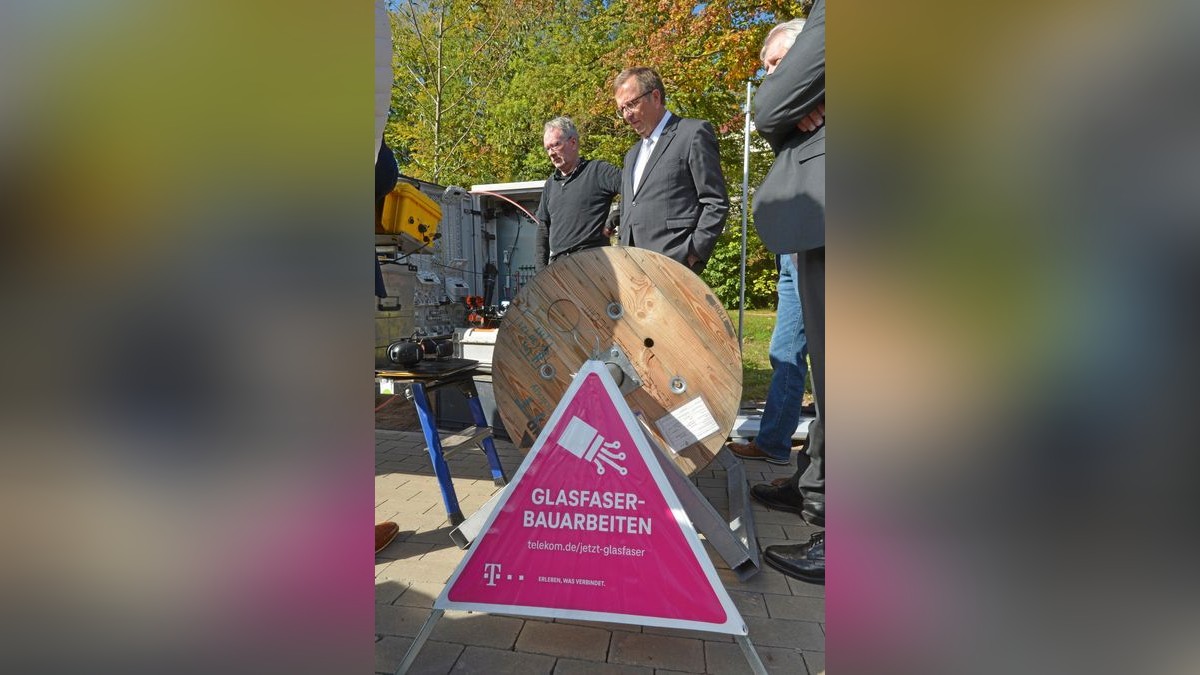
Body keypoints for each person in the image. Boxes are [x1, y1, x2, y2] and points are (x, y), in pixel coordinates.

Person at [748, 4, 826, 583]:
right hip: (806, 229)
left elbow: (769, 107)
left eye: (782, 65)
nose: (773, 77)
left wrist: (787, 100)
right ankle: (813, 489)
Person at [613, 67, 729, 273]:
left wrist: (693, 253)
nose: (626, 115)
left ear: (655, 97)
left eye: (631, 104)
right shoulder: (631, 155)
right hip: (633, 270)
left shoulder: (692, 134)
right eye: (621, 109)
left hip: (675, 265)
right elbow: (630, 207)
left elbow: (715, 202)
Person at [534, 117, 621, 272]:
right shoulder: (550, 184)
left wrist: (613, 220)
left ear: (573, 143)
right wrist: (540, 273)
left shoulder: (598, 171)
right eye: (547, 148)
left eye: (555, 145)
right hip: (559, 268)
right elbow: (543, 230)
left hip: (593, 264)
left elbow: (636, 190)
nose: (551, 154)